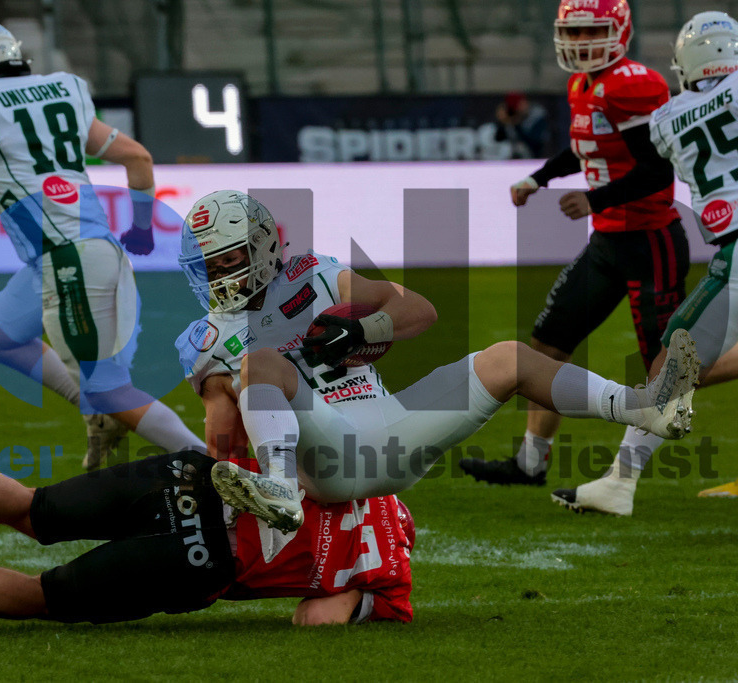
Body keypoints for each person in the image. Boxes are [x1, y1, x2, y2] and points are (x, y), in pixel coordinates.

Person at [174, 190, 699, 534]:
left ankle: (644, 409)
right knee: (263, 363)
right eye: (209, 265)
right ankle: (281, 490)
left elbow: (418, 310)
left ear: (262, 245)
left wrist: (361, 328)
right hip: (322, 464)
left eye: (229, 259)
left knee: (509, 359)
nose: (220, 275)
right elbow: (224, 444)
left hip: (392, 428)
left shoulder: (315, 274)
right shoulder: (208, 335)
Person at [0, 22, 202, 470]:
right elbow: (138, 158)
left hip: (66, 259)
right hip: (87, 251)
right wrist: (144, 229)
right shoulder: (60, 91)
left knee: (111, 389)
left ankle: (207, 461)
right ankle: (95, 410)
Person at [459, 0, 692, 489]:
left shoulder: (635, 83)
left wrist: (593, 198)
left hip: (651, 241)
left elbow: (656, 170)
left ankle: (620, 481)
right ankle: (530, 463)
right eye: (576, 32)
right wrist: (538, 176)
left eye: (593, 32)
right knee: (547, 348)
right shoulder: (582, 84)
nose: (583, 43)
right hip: (608, 242)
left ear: (619, 30)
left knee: (666, 367)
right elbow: (583, 148)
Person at [0, 442, 415, 625]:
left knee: (32, 509)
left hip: (187, 477)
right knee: (43, 597)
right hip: (202, 558)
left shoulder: (365, 474)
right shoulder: (391, 580)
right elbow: (316, 623)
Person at [552, 12, 738, 513]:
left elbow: (643, 163)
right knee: (678, 359)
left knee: (674, 359)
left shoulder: (668, 117)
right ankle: (618, 482)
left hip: (735, 251)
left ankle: (620, 482)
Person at [494, 92, 549, 158]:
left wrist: (517, 125)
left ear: (524, 102)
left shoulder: (537, 116)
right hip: (511, 159)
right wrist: (503, 123)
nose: (517, 110)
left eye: (519, 105)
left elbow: (535, 144)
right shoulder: (513, 117)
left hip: (535, 158)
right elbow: (498, 139)